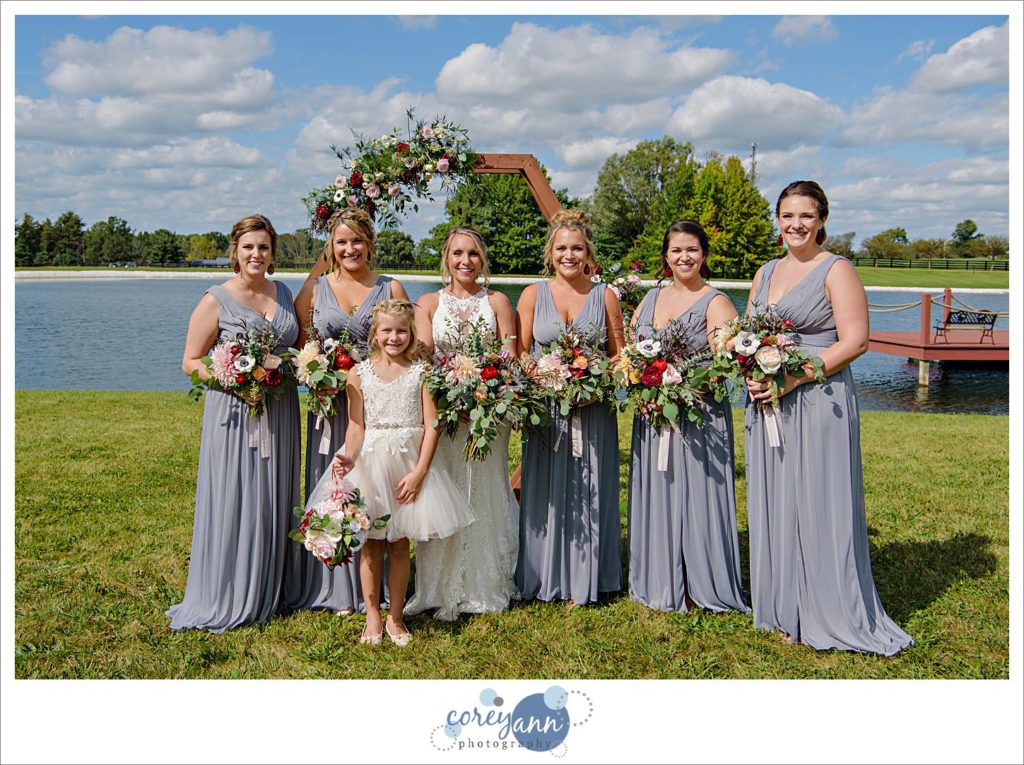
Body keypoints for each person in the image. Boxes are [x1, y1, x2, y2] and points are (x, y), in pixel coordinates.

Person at [745, 180, 913, 655]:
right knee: (777, 500)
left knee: (818, 500)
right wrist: (752, 372)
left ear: (822, 220)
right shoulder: (764, 272)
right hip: (767, 402)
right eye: (787, 215)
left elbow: (856, 340)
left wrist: (796, 376)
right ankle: (783, 607)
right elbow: (749, 336)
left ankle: (825, 608)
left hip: (819, 399)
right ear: (777, 220)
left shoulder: (837, 269)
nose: (795, 225)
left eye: (806, 216)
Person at [168, 214, 300, 632]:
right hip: (235, 412)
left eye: (263, 247)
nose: (256, 254)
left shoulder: (284, 292)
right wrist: (233, 378)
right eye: (248, 247)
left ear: (272, 253)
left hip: (279, 408)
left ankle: (270, 588)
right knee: (236, 494)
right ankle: (226, 591)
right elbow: (190, 362)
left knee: (275, 493)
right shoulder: (215, 299)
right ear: (235, 253)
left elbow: (295, 347)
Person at [318, 299, 474, 645]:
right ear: (374, 333)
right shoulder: (358, 374)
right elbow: (357, 426)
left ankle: (396, 616)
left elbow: (431, 425)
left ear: (411, 333)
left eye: (402, 330)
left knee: (401, 543)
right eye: (387, 330)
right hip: (371, 466)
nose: (394, 337)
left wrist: (420, 472)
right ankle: (372, 615)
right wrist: (348, 457)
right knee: (371, 544)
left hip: (408, 467)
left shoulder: (422, 373)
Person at [281, 208, 409, 615]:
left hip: (378, 409)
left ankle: (380, 588)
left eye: (357, 241)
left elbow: (408, 347)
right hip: (330, 408)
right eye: (342, 241)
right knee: (333, 489)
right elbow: (300, 343)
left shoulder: (391, 288)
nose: (350, 248)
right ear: (331, 248)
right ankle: (332, 585)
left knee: (375, 491)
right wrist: (316, 371)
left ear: (370, 245)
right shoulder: (316, 289)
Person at [627, 220, 749, 614]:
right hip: (653, 416)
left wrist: (678, 388)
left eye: (692, 250)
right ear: (665, 256)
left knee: (694, 496)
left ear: (704, 255)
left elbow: (725, 364)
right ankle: (659, 575)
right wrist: (641, 383)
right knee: (659, 491)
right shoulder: (650, 300)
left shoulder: (716, 302)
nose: (684, 257)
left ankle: (700, 581)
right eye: (676, 250)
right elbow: (631, 351)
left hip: (697, 417)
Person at [405, 227, 519, 621]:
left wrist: (489, 392)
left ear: (482, 259)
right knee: (445, 490)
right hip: (447, 417)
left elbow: (511, 357)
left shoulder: (500, 301)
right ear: (446, 258)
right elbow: (425, 357)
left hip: (489, 415)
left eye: (472, 254)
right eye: (457, 253)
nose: (465, 261)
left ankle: (483, 584)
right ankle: (437, 585)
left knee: (486, 492)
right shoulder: (428, 303)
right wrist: (453, 394)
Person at [514, 209, 624, 607]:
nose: (569, 255)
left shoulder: (605, 295)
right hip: (545, 410)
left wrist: (595, 382)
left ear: (588, 251)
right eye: (562, 247)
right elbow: (521, 349)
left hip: (592, 412)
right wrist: (536, 372)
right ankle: (543, 573)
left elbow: (619, 355)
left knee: (590, 489)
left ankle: (588, 576)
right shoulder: (531, 294)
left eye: (577, 247)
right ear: (550, 252)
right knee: (545, 492)